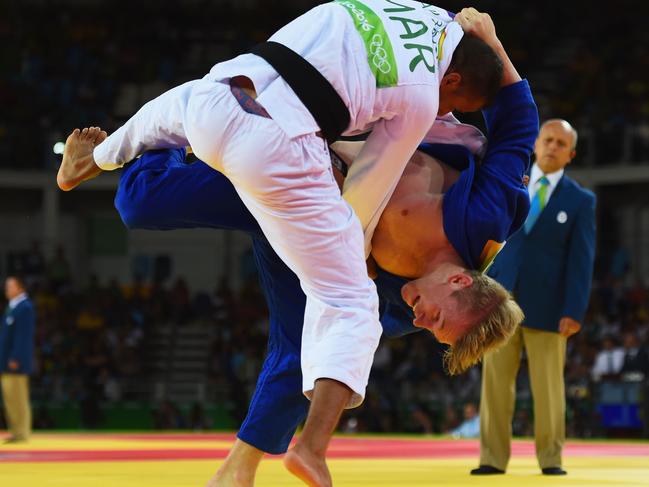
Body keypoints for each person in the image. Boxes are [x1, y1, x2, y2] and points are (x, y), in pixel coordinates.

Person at [56, 3, 503, 484]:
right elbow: (372, 183)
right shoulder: (474, 200)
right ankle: (311, 448)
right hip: (293, 162)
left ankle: (97, 158)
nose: (450, 113)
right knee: (347, 303)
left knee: (167, 119)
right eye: (456, 105)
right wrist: (341, 247)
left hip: (225, 92)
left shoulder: (422, 18)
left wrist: (483, 38)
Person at [472, 118, 597, 476]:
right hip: (499, 301)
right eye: (548, 140)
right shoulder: (509, 184)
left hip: (551, 305)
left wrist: (574, 309)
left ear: (570, 154)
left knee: (549, 387)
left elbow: (581, 260)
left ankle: (551, 459)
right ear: (536, 144)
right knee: (494, 385)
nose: (552, 147)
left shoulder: (580, 201)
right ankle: (492, 459)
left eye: (561, 143)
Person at [0, 275, 36, 443]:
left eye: (10, 286)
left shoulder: (25, 307)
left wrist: (16, 357)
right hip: (6, 360)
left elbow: (23, 336)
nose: (6, 289)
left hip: (15, 361)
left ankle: (22, 432)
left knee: (19, 397)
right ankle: (15, 431)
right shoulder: (12, 307)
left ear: (20, 288)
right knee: (9, 397)